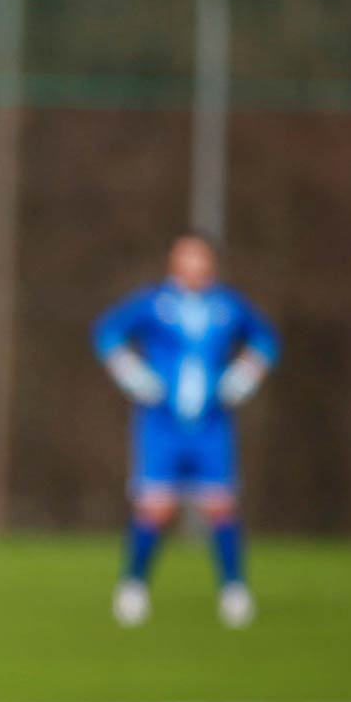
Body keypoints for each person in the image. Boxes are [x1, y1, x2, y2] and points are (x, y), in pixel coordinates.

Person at [92, 232, 279, 629]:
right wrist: (132, 374)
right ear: (173, 263)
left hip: (212, 424)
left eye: (200, 258)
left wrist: (244, 376)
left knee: (220, 506)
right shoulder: (154, 304)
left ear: (210, 263)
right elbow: (107, 333)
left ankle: (234, 590)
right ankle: (134, 586)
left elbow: (265, 340)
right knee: (156, 507)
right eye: (186, 257)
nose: (194, 265)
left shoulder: (226, 306)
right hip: (161, 423)